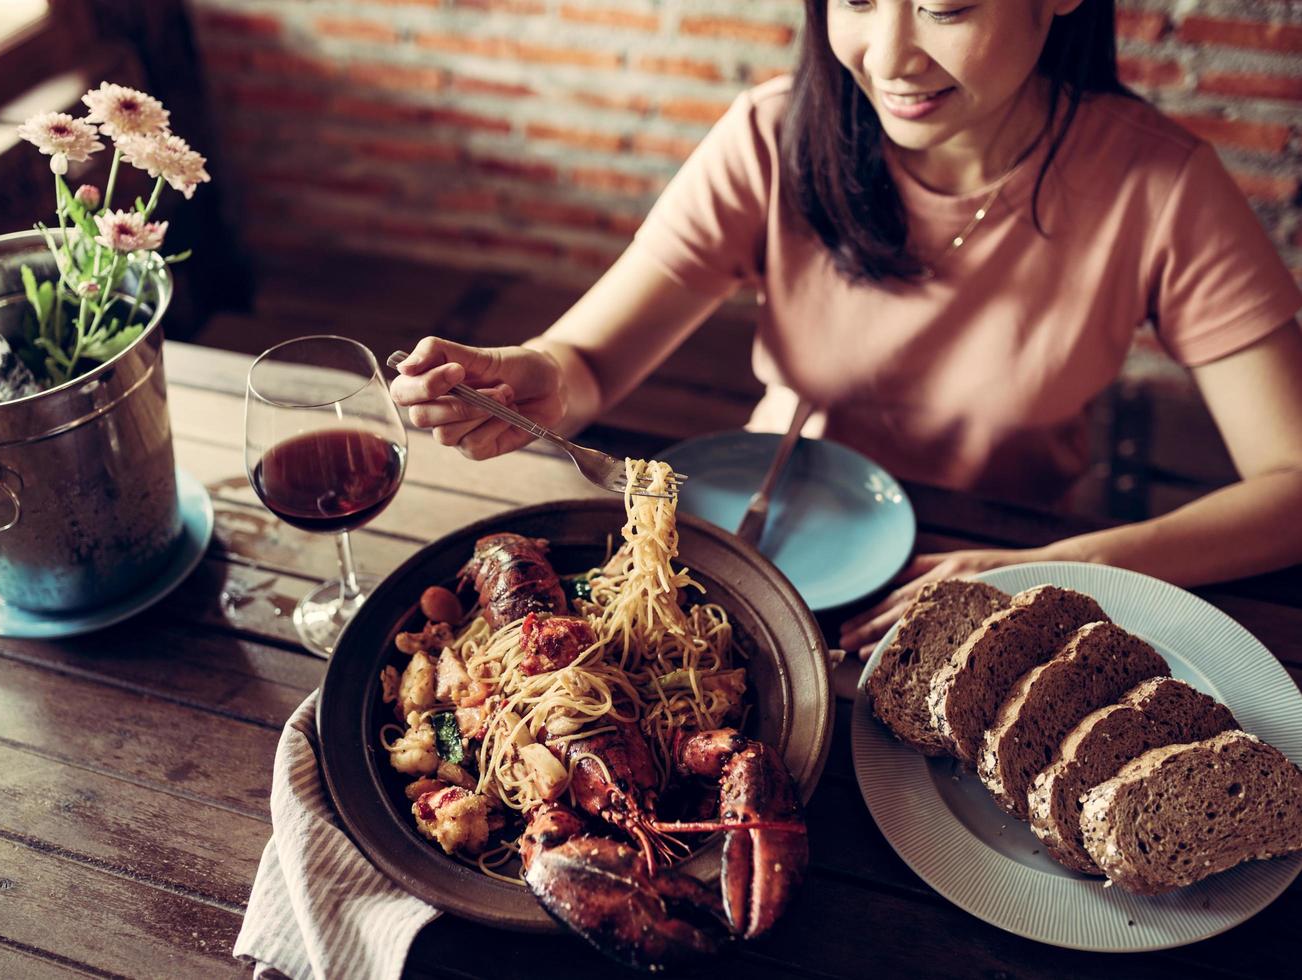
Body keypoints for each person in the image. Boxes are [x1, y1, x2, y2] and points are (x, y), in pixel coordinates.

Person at [389, 0, 1302, 660]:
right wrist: (537, 378)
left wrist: (1062, 568)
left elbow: (1293, 485)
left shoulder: (1162, 185)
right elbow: (582, 362)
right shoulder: (774, 134)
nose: (890, 55)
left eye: (946, 7)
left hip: (998, 559)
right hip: (756, 554)